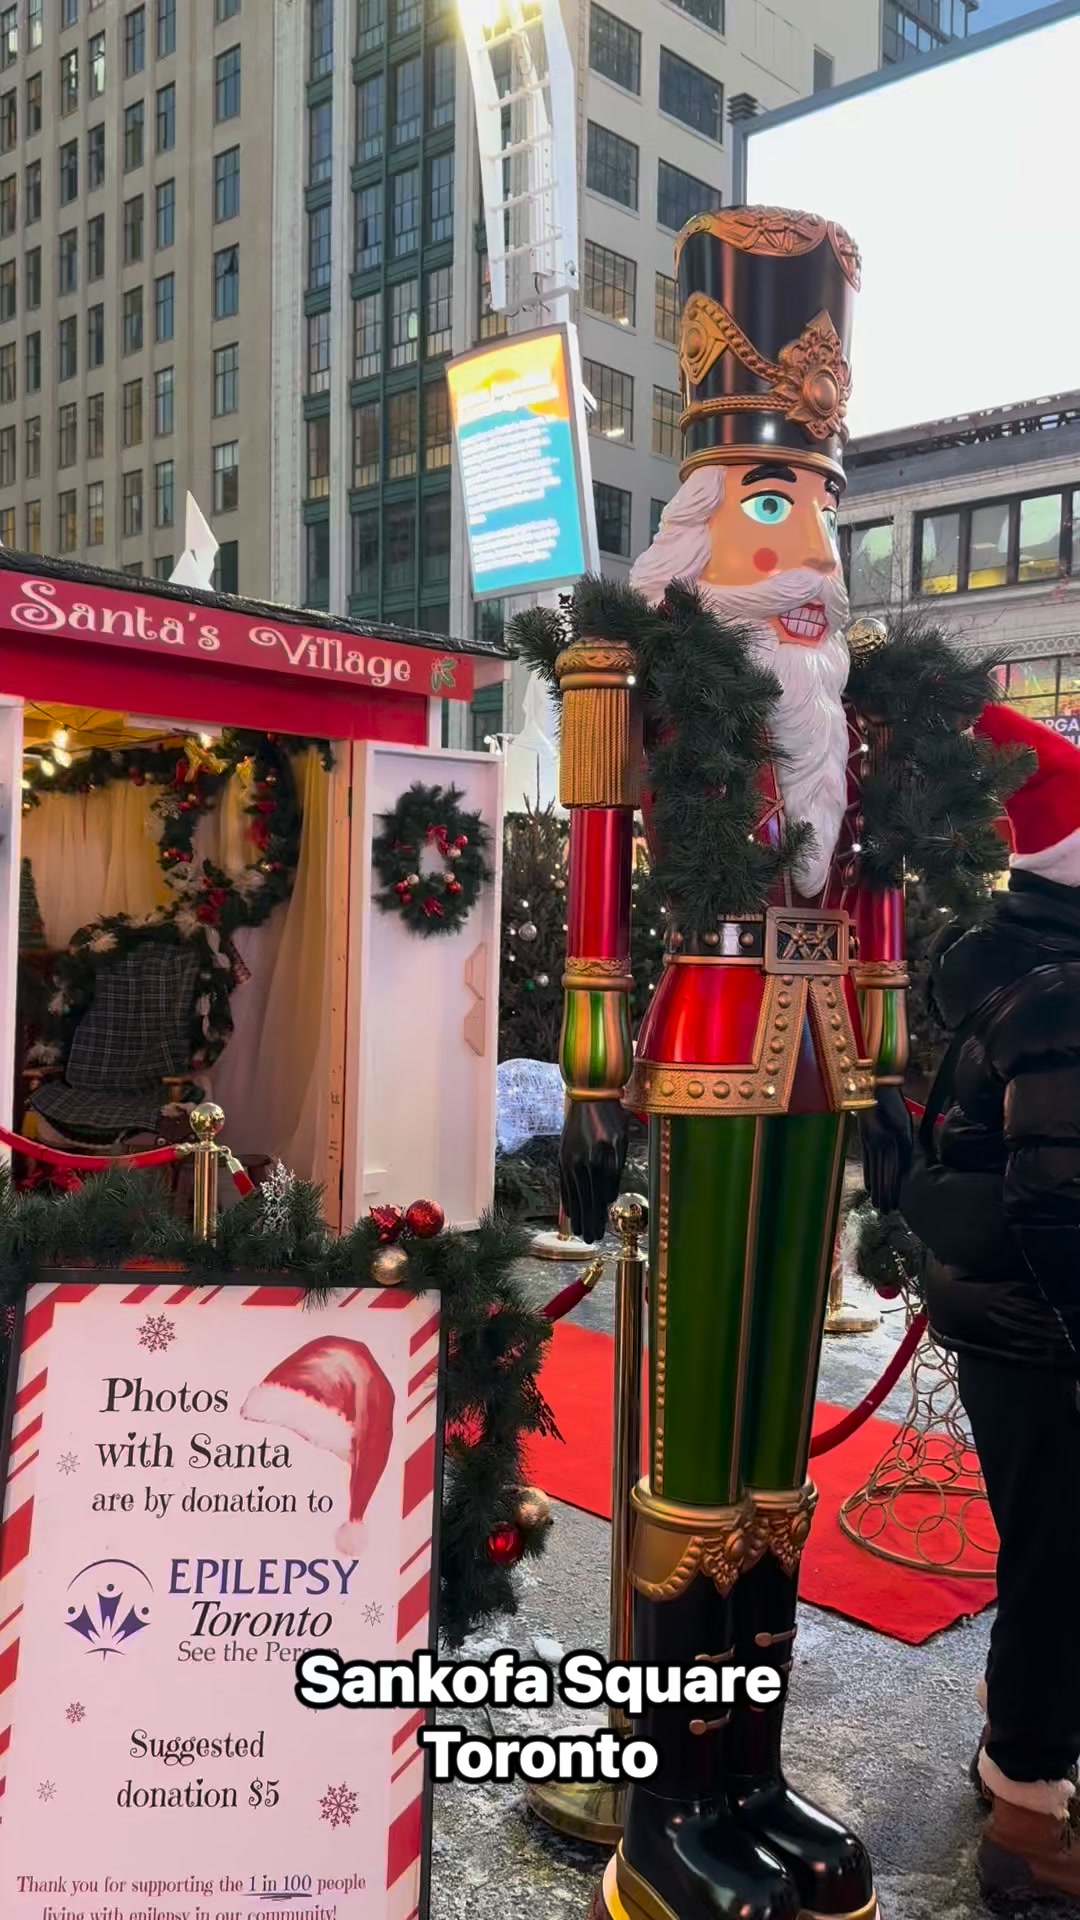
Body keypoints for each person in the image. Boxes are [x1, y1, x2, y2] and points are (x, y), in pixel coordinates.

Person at [511, 204, 1002, 1920]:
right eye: (778, 508)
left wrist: (876, 1094)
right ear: (710, 524)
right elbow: (591, 886)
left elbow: (871, 911)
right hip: (710, 1052)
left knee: (780, 1454)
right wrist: (585, 1077)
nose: (814, 560)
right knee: (692, 1441)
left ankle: (751, 1776)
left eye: (822, 511)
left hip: (813, 1082)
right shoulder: (641, 660)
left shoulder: (851, 696)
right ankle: (665, 1815)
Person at [901, 699, 1080, 1905]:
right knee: (1063, 1569)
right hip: (1050, 1327)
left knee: (1048, 1557)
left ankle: (1019, 1756)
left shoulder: (1007, 964)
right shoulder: (1067, 989)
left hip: (1009, 1321)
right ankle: (1026, 1818)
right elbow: (1063, 1204)